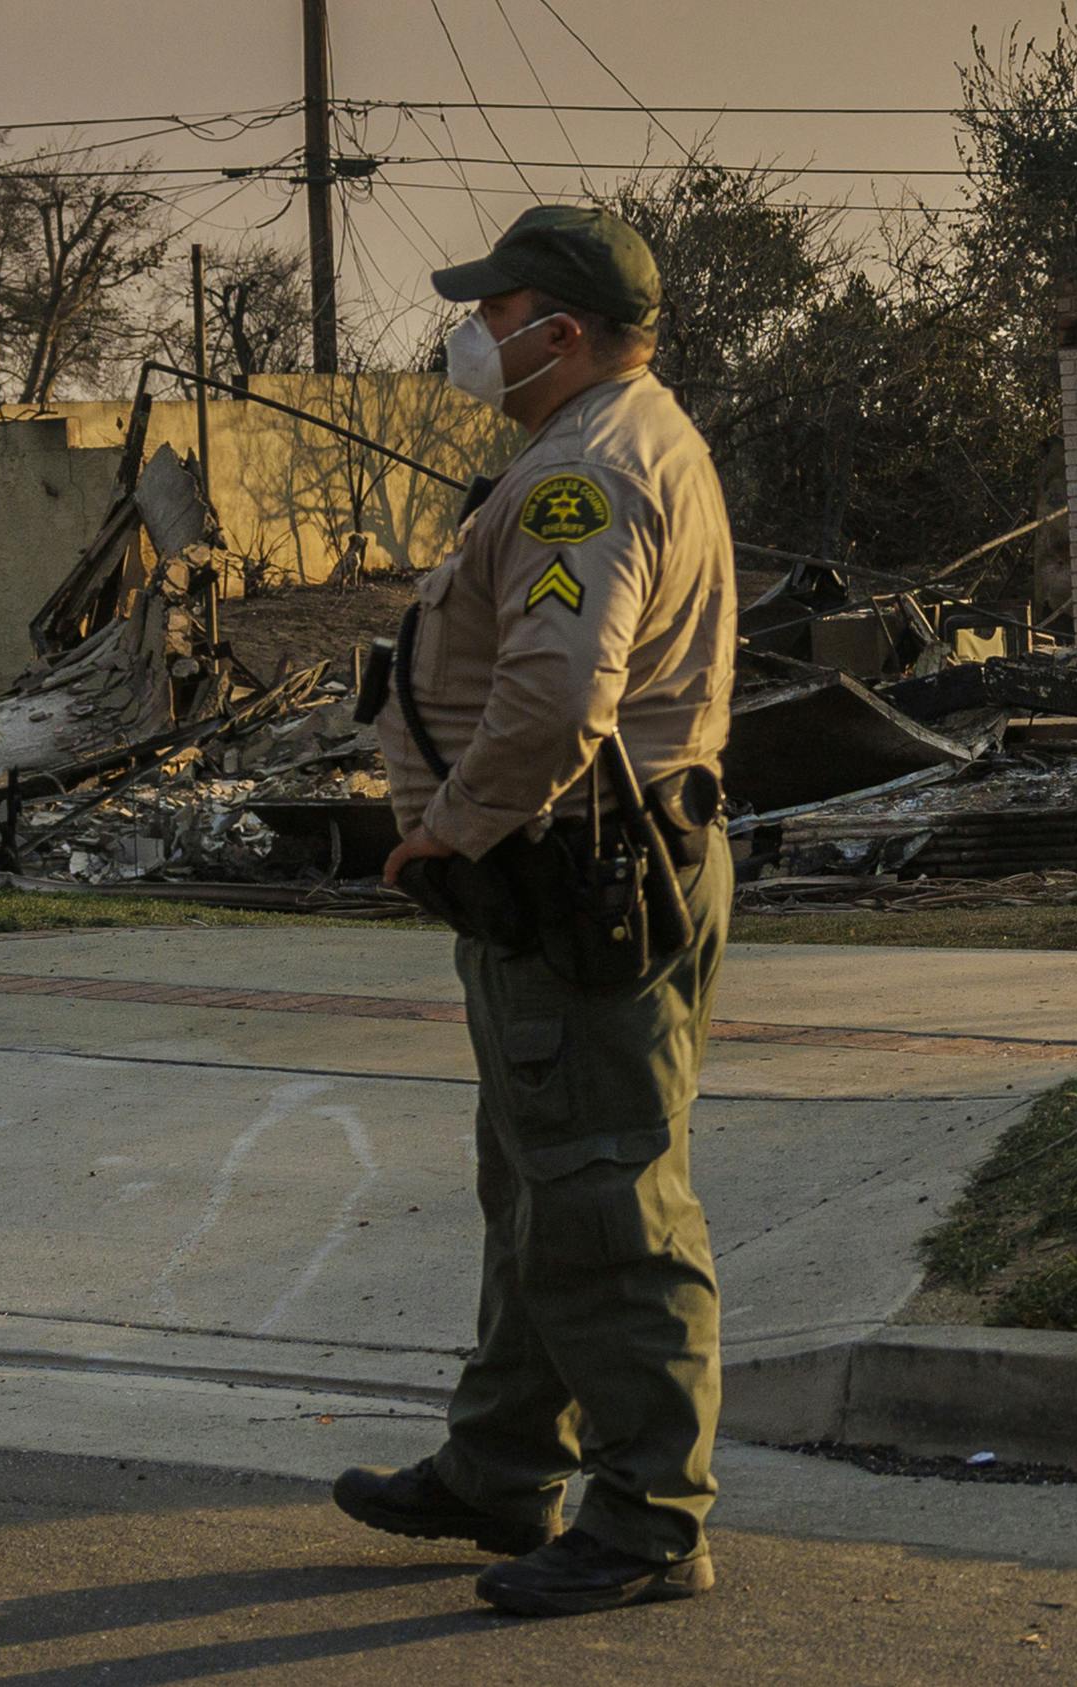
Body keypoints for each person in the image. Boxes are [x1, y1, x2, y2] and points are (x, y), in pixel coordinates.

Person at [332, 204, 737, 1620]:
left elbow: (564, 694)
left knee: (605, 1192)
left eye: (492, 314)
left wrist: (453, 822)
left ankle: (648, 1520)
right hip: (570, 875)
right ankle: (504, 1464)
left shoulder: (592, 475)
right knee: (537, 1177)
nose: (471, 337)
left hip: (579, 874)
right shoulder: (613, 444)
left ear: (556, 331)